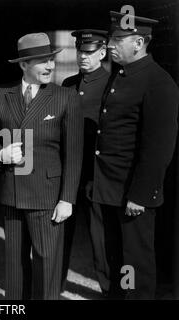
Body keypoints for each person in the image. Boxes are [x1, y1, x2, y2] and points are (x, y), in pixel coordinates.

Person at [0, 33, 83, 299]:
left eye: (51, 59)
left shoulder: (65, 96)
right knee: (14, 264)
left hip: (47, 195)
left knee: (47, 262)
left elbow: (73, 153)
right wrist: (0, 154)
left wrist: (67, 199)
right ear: (23, 65)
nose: (50, 66)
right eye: (42, 61)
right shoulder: (1, 93)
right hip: (12, 192)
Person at [90, 11, 179, 299]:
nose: (111, 45)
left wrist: (140, 195)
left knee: (134, 264)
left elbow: (158, 147)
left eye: (118, 39)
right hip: (110, 188)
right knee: (115, 258)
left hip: (133, 193)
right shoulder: (120, 76)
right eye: (111, 38)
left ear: (139, 42)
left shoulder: (158, 82)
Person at [61, 29, 110, 295]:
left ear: (102, 53)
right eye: (80, 51)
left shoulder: (112, 84)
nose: (83, 56)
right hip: (69, 172)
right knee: (60, 234)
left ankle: (109, 290)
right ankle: (52, 287)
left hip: (96, 173)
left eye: (89, 52)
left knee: (100, 236)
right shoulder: (68, 84)